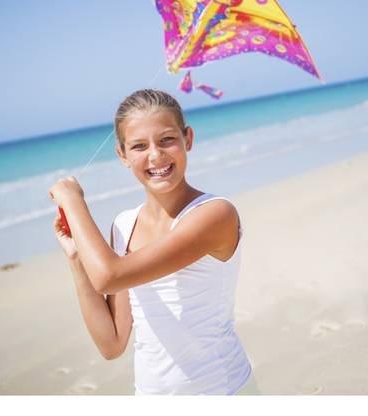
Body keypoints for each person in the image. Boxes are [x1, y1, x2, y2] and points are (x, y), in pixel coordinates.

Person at [48, 88, 256, 395]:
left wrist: (73, 199)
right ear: (122, 155)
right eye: (139, 146)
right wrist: (77, 258)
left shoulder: (214, 214)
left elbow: (108, 276)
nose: (156, 155)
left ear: (188, 139)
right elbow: (112, 343)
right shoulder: (123, 225)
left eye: (167, 139)